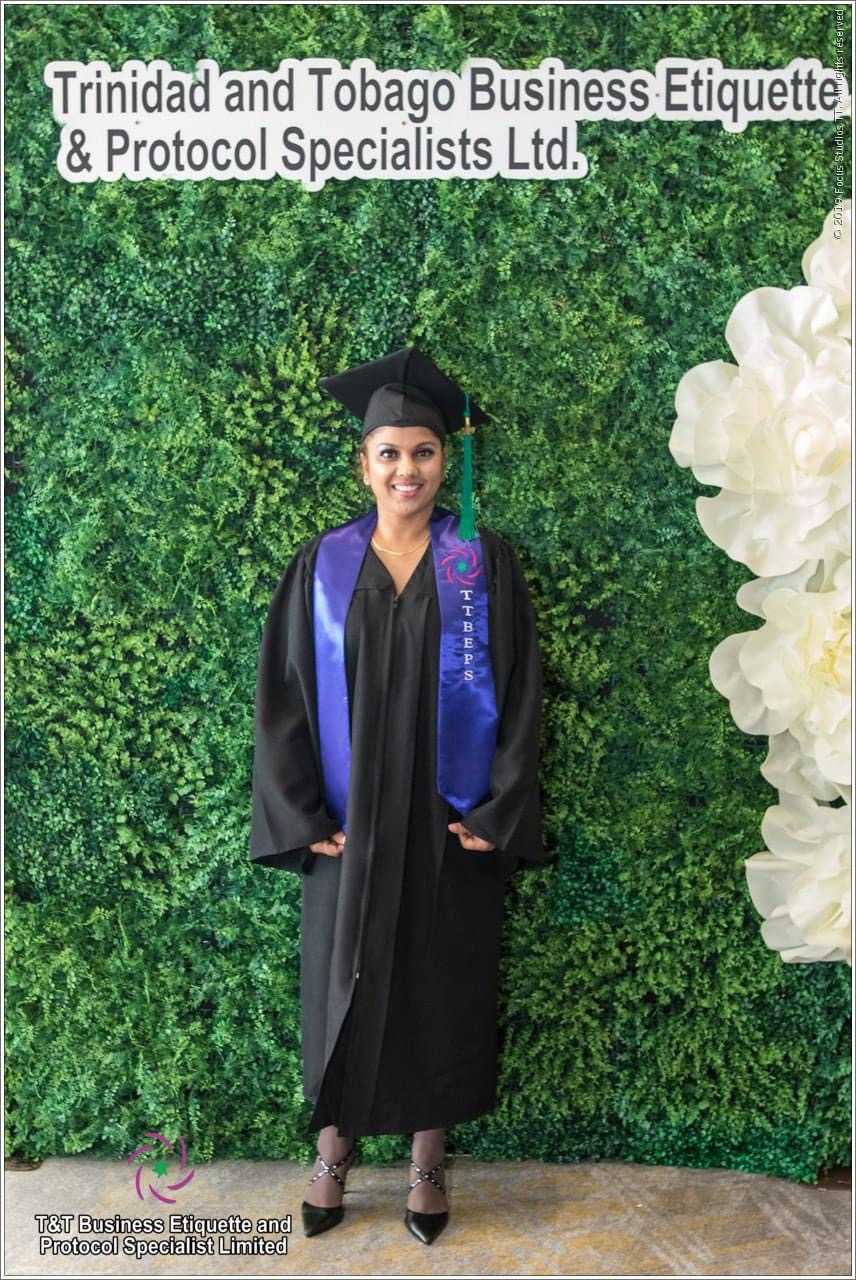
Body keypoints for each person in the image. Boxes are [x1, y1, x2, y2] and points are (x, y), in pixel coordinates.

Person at [249, 346, 550, 1244]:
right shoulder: (323, 566)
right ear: (364, 464)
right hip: (351, 826)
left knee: (438, 982)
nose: (406, 469)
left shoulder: (480, 564)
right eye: (389, 453)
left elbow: (523, 696)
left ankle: (428, 1161)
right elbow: (283, 698)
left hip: (444, 822)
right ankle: (332, 1152)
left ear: (445, 462)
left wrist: (497, 812)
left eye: (423, 451)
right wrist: (302, 816)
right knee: (340, 980)